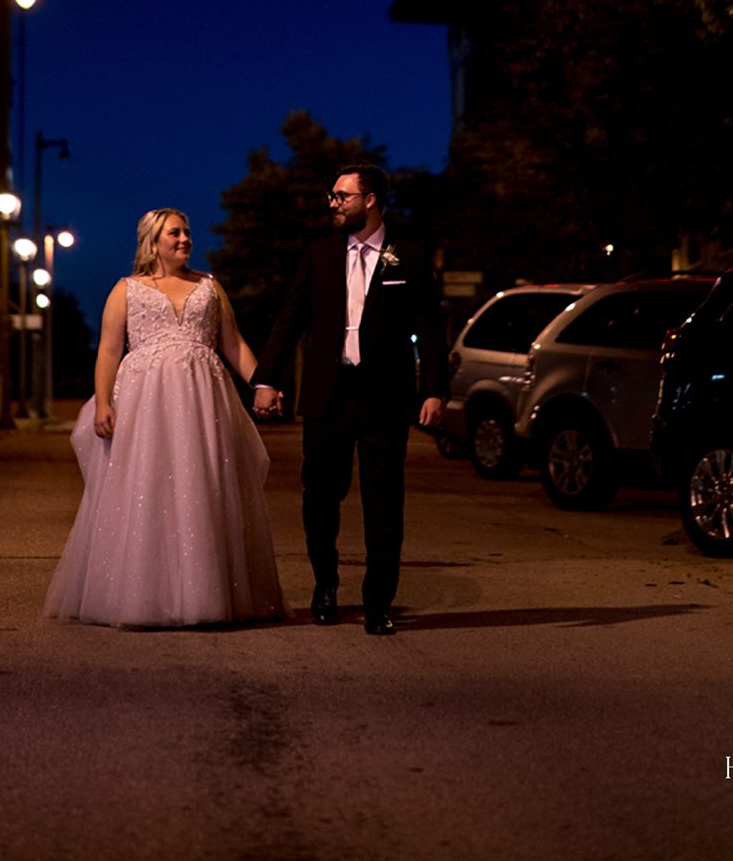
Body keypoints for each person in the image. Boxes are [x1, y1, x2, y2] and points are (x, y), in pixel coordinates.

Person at [45, 207, 285, 628]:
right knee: (147, 487)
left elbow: (233, 345)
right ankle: (141, 595)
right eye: (175, 233)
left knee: (203, 484)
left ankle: (208, 594)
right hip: (145, 403)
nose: (185, 240)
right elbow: (107, 350)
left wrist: (262, 383)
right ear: (153, 241)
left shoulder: (210, 287)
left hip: (202, 401)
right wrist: (103, 402)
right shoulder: (127, 290)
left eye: (188, 233)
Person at [252, 163, 448, 635]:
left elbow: (432, 326)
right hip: (328, 393)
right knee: (319, 497)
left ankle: (378, 602)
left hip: (384, 395)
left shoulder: (410, 257)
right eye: (333, 195)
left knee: (384, 502)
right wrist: (266, 379)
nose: (333, 203)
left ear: (372, 199)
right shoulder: (319, 254)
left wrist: (435, 389)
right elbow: (289, 318)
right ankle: (325, 586)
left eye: (342, 196)